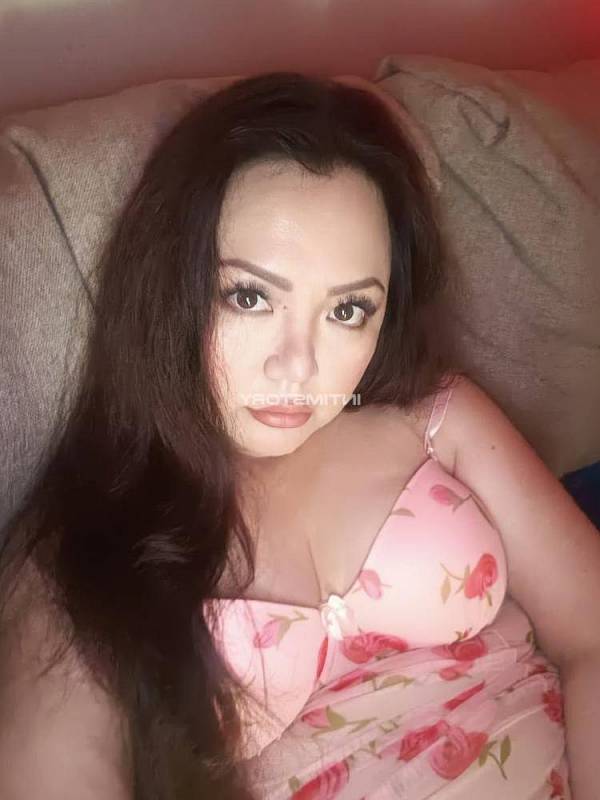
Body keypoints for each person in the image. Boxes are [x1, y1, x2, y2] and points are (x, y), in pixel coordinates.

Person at [0, 71, 598, 800]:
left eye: (347, 311)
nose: (298, 366)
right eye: (249, 296)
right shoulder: (83, 548)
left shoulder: (436, 417)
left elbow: (592, 632)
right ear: (169, 285)